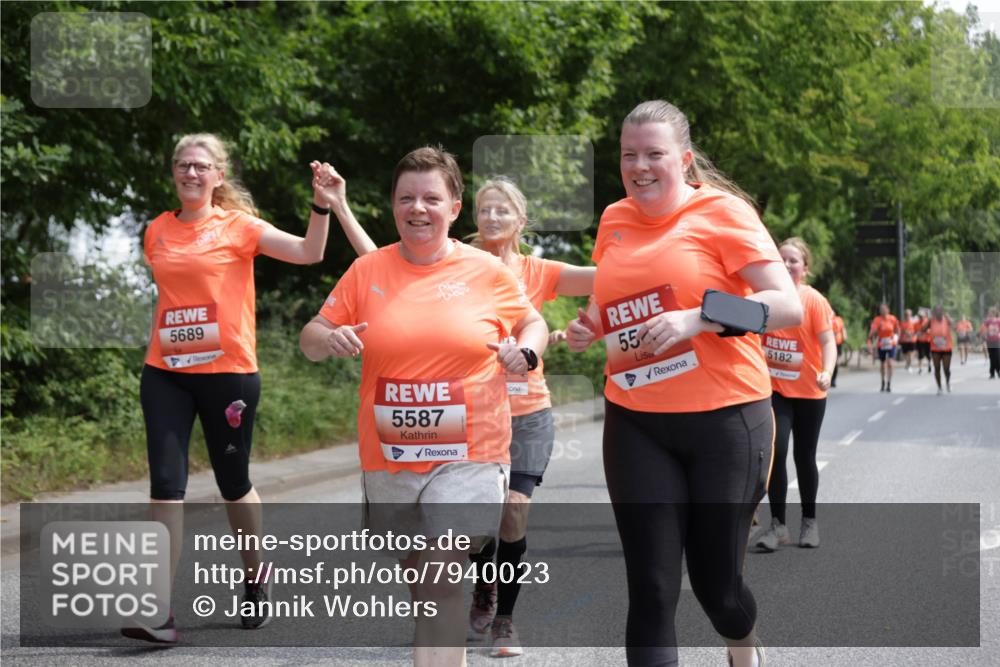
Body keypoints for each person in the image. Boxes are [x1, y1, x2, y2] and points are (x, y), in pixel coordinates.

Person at [565, 100, 802, 667]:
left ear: (685, 159)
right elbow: (612, 298)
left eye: (654, 154)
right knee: (651, 588)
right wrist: (589, 324)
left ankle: (742, 645)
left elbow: (786, 306)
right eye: (629, 155)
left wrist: (697, 319)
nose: (639, 166)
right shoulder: (614, 219)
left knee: (718, 588)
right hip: (635, 420)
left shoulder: (724, 213)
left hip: (727, 420)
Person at [299, 146, 549, 667]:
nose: (418, 208)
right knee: (424, 586)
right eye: (406, 198)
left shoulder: (485, 270)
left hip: (471, 452)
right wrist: (331, 337)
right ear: (392, 205)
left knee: (441, 576)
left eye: (432, 198)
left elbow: (532, 323)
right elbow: (311, 337)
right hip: (390, 457)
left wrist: (524, 351)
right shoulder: (367, 271)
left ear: (454, 207)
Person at [125, 133, 331, 643]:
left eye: (201, 166)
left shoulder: (239, 227)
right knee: (165, 489)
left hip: (229, 375)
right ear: (173, 173)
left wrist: (320, 205)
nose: (190, 173)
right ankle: (158, 609)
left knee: (233, 483)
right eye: (182, 165)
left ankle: (256, 576)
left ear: (219, 176)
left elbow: (309, 253)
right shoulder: (156, 231)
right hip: (166, 373)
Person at [751, 238, 836, 552]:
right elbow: (751, 338)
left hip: (811, 392)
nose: (787, 265)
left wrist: (827, 371)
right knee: (777, 449)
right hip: (776, 390)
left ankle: (810, 522)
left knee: (804, 456)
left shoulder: (812, 300)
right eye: (781, 259)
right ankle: (778, 525)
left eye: (793, 261)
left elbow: (828, 342)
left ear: (805, 269)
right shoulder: (766, 300)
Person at [920, 305, 953, 394]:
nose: (938, 312)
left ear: (942, 311)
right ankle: (939, 387)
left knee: (946, 368)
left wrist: (949, 318)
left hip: (946, 347)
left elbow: (953, 324)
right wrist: (927, 322)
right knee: (937, 368)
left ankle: (948, 382)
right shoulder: (931, 320)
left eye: (940, 310)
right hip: (935, 348)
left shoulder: (946, 319)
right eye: (936, 310)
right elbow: (922, 329)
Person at [868, 304, 900, 392]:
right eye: (881, 309)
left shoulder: (892, 318)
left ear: (888, 310)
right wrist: (871, 337)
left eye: (884, 309)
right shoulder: (877, 319)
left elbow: (897, 329)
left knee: (890, 363)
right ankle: (883, 382)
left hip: (891, 342)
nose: (882, 311)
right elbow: (873, 331)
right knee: (882, 364)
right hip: (881, 343)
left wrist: (896, 338)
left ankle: (889, 383)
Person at [982, 307, 1000, 378]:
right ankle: (992, 373)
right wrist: (984, 335)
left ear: (995, 313)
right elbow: (984, 328)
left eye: (991, 313)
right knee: (991, 357)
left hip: (997, 340)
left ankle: (998, 371)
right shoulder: (988, 321)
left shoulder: (998, 321)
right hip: (989, 340)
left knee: (997, 357)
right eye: (990, 313)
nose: (990, 314)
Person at [898, 308, 918, 373]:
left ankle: (909, 365)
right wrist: (899, 339)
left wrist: (911, 333)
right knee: (905, 353)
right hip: (904, 340)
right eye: (906, 314)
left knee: (910, 353)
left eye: (908, 314)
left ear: (911, 315)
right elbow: (901, 331)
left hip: (912, 340)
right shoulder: (902, 323)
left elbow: (916, 330)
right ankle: (907, 363)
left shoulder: (914, 322)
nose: (907, 316)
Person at [916, 308, 934, 374]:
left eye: (921, 316)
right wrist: (917, 333)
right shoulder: (916, 323)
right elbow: (915, 331)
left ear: (925, 316)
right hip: (920, 340)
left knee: (928, 354)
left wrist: (928, 331)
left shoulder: (928, 322)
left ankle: (929, 364)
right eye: (919, 316)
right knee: (920, 355)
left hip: (927, 340)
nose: (920, 317)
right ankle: (920, 368)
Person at [830, 311, 845, 388]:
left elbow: (843, 329)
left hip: (837, 343)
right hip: (829, 343)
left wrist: (844, 336)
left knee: (836, 362)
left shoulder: (839, 319)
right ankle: (829, 378)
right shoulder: (827, 318)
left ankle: (833, 379)